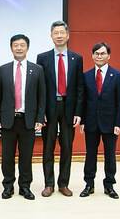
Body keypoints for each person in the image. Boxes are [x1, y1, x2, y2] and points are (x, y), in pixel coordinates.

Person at [0, 34, 45, 200]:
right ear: (11, 48)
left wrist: (39, 118)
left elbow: (41, 96)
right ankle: (8, 186)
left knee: (26, 157)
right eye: (16, 45)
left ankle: (25, 187)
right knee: (7, 156)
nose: (19, 48)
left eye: (22, 45)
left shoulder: (37, 69)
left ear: (27, 47)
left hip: (28, 121)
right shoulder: (3, 69)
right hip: (8, 120)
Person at [36, 21, 84, 197]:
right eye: (55, 33)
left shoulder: (77, 58)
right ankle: (49, 184)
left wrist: (79, 112)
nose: (59, 36)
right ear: (51, 36)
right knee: (48, 147)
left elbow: (80, 87)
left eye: (62, 32)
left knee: (67, 147)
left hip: (69, 108)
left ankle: (63, 183)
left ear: (68, 35)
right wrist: (40, 114)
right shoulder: (42, 58)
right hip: (49, 108)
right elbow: (39, 88)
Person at [80, 42, 120, 199]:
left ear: (109, 56)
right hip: (91, 123)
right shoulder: (86, 76)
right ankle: (89, 185)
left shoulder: (118, 75)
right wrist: (83, 121)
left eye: (102, 53)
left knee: (110, 155)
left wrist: (119, 123)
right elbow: (83, 100)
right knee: (90, 154)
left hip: (110, 124)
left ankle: (109, 186)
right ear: (92, 56)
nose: (99, 56)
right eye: (96, 53)